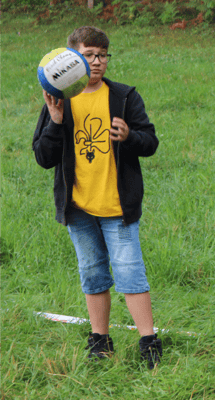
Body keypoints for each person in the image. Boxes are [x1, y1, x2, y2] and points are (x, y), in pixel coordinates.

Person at [33, 26, 162, 369]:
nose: (97, 61)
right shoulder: (59, 100)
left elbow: (150, 142)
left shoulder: (124, 97)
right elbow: (43, 157)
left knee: (130, 273)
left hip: (117, 207)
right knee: (92, 275)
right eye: (89, 54)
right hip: (78, 209)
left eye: (103, 55)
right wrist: (56, 121)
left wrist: (130, 135)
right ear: (71, 58)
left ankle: (149, 341)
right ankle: (100, 340)